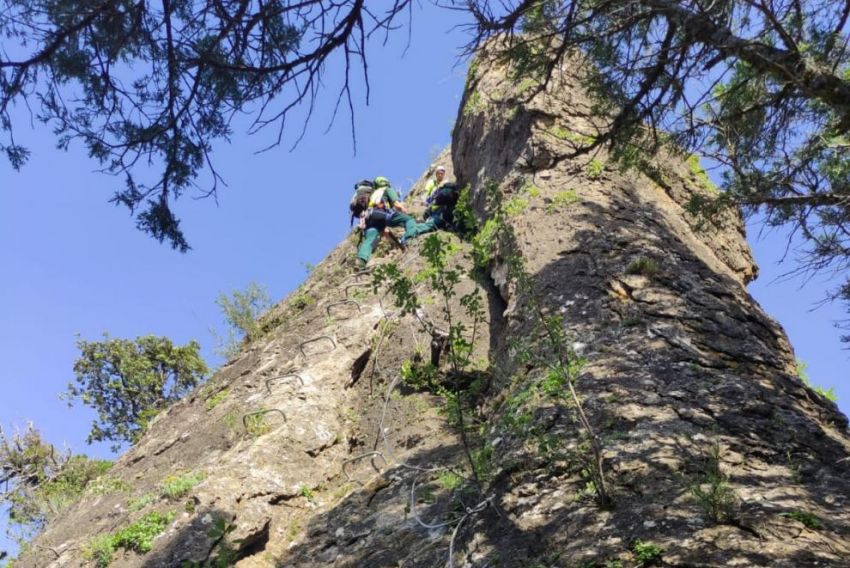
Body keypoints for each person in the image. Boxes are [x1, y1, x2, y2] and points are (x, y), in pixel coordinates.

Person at [356, 177, 432, 266]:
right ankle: (410, 238)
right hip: (381, 213)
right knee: (409, 219)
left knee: (370, 238)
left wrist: (398, 244)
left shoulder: (373, 195)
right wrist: (405, 212)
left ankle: (361, 260)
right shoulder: (387, 189)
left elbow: (385, 231)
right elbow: (396, 204)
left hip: (369, 218)